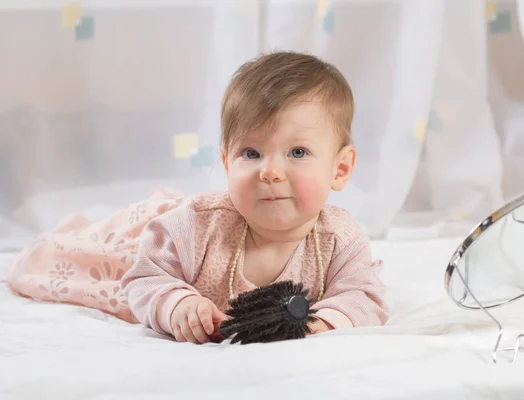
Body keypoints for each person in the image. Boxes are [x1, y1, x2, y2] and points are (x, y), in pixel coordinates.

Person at [6, 51, 389, 344]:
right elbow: (143, 275)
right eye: (251, 154)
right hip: (146, 238)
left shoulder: (339, 239)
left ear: (339, 170)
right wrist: (177, 303)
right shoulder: (198, 225)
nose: (270, 172)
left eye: (298, 153)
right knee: (70, 260)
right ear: (226, 162)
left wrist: (324, 322)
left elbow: (364, 297)